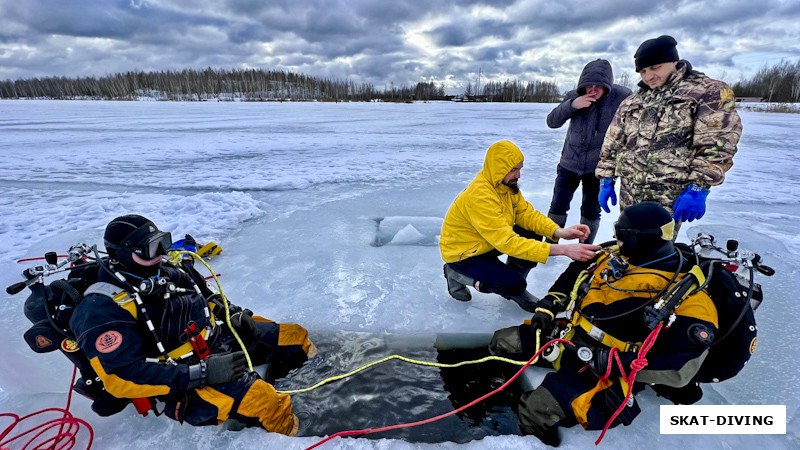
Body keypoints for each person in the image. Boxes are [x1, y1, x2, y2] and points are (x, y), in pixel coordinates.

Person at [488, 202, 720, 446]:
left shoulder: (688, 296)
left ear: (643, 239)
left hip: (611, 367)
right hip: (572, 339)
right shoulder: (614, 256)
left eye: (621, 235)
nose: (615, 240)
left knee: (536, 410)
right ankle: (497, 389)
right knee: (503, 341)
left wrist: (612, 362)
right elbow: (573, 275)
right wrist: (548, 306)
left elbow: (679, 369)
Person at [69, 214, 317, 435]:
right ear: (119, 255)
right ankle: (303, 434)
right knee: (267, 403)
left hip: (216, 341)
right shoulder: (101, 310)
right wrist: (200, 374)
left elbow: (205, 295)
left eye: (162, 244)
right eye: (149, 250)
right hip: (180, 378)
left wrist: (232, 313)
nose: (160, 254)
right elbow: (120, 378)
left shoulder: (167, 270)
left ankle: (307, 385)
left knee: (294, 336)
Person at [596, 35, 742, 236]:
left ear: (674, 61)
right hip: (630, 191)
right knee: (627, 242)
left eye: (655, 67)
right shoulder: (633, 100)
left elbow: (717, 144)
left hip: (668, 194)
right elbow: (613, 141)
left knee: (656, 250)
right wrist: (606, 178)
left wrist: (698, 187)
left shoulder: (707, 92)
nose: (648, 76)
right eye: (643, 71)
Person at [439, 140, 601, 312]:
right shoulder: (480, 197)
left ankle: (511, 284)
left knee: (529, 233)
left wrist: (559, 232)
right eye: (513, 170)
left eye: (519, 169)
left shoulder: (505, 186)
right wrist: (564, 250)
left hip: (485, 243)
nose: (518, 175)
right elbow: (507, 242)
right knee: (512, 283)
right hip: (463, 253)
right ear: (498, 169)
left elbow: (526, 214)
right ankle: (457, 274)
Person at [546, 59, 632, 244]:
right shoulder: (573, 96)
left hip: (598, 168)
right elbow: (552, 121)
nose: (592, 90)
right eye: (588, 85)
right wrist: (572, 105)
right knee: (558, 205)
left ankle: (585, 247)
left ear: (607, 84)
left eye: (598, 86)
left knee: (591, 210)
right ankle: (551, 244)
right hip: (569, 164)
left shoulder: (622, 97)